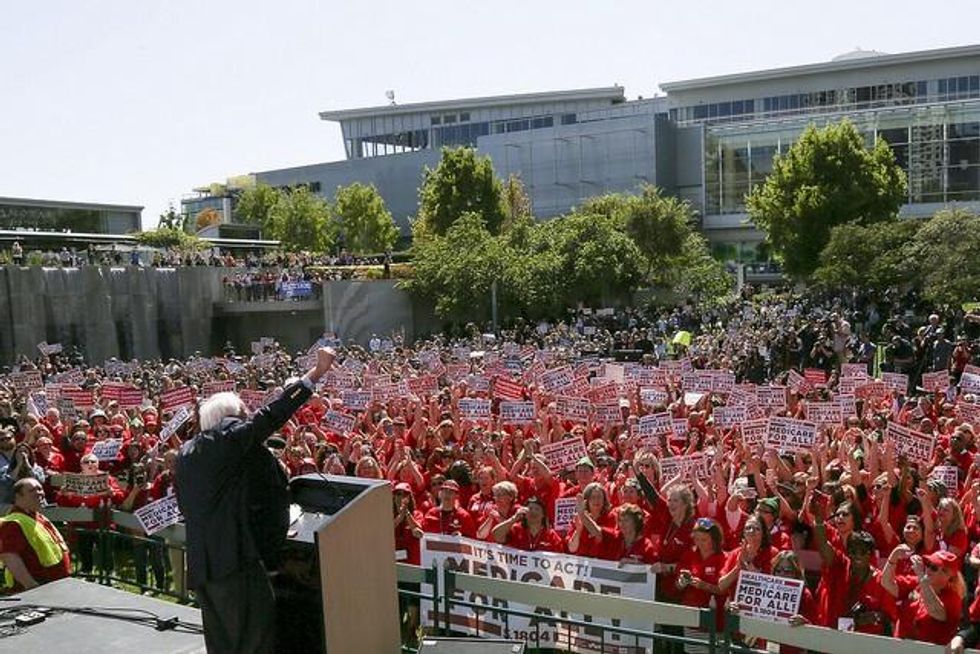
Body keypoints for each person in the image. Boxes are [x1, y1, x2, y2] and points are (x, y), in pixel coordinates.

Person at [175, 346, 335, 654]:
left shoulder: (187, 453)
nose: (246, 423)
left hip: (204, 567)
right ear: (230, 419)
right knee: (255, 640)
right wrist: (315, 374)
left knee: (223, 645)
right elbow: (270, 416)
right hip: (233, 565)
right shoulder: (226, 439)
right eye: (242, 418)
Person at [0, 478, 70, 593]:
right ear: (18, 496)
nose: (39, 493)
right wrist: (31, 586)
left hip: (53, 587)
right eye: (33, 490)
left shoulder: (38, 517)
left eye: (40, 489)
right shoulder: (13, 523)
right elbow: (9, 556)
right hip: (36, 590)